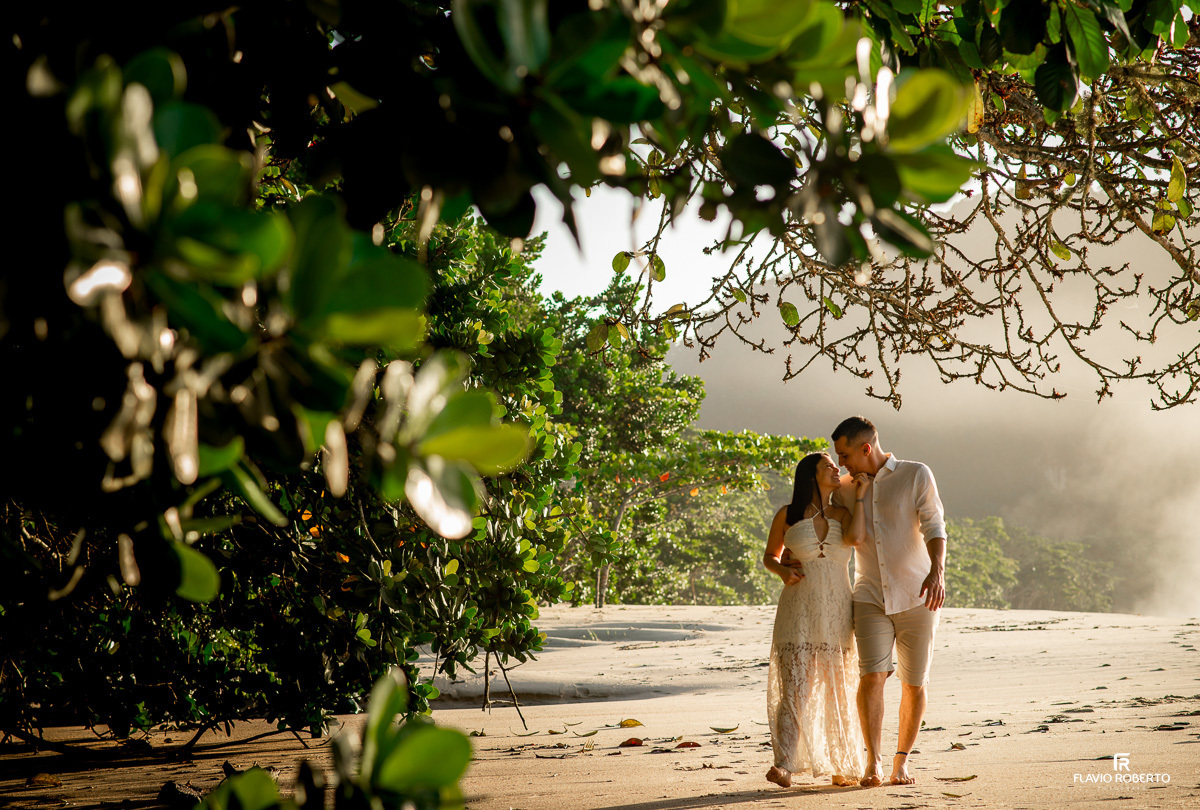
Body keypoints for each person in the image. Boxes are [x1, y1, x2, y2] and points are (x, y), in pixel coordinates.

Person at [831, 416, 946, 787]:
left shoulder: (916, 475)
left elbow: (934, 525)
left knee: (914, 683)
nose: (841, 463)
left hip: (918, 594)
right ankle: (874, 763)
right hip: (869, 595)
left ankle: (901, 762)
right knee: (872, 676)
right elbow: (828, 528)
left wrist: (937, 571)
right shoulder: (844, 488)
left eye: (845, 454)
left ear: (866, 448)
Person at [762, 452, 870, 788]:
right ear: (811, 475)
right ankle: (784, 765)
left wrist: (862, 497)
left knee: (839, 687)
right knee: (797, 687)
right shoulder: (788, 514)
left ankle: (842, 764)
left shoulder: (845, 513)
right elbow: (770, 556)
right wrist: (781, 570)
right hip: (798, 610)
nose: (836, 469)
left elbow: (858, 539)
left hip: (837, 609)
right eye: (829, 466)